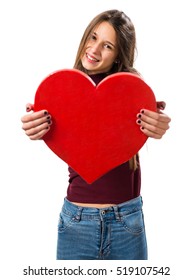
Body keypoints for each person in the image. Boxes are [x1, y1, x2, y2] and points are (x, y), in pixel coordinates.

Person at [21, 10, 171, 260]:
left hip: (127, 222)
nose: (95, 49)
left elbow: (152, 118)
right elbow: (40, 121)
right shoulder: (63, 90)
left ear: (118, 55)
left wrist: (159, 125)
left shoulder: (130, 88)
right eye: (93, 37)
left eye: (108, 45)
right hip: (76, 221)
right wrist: (37, 127)